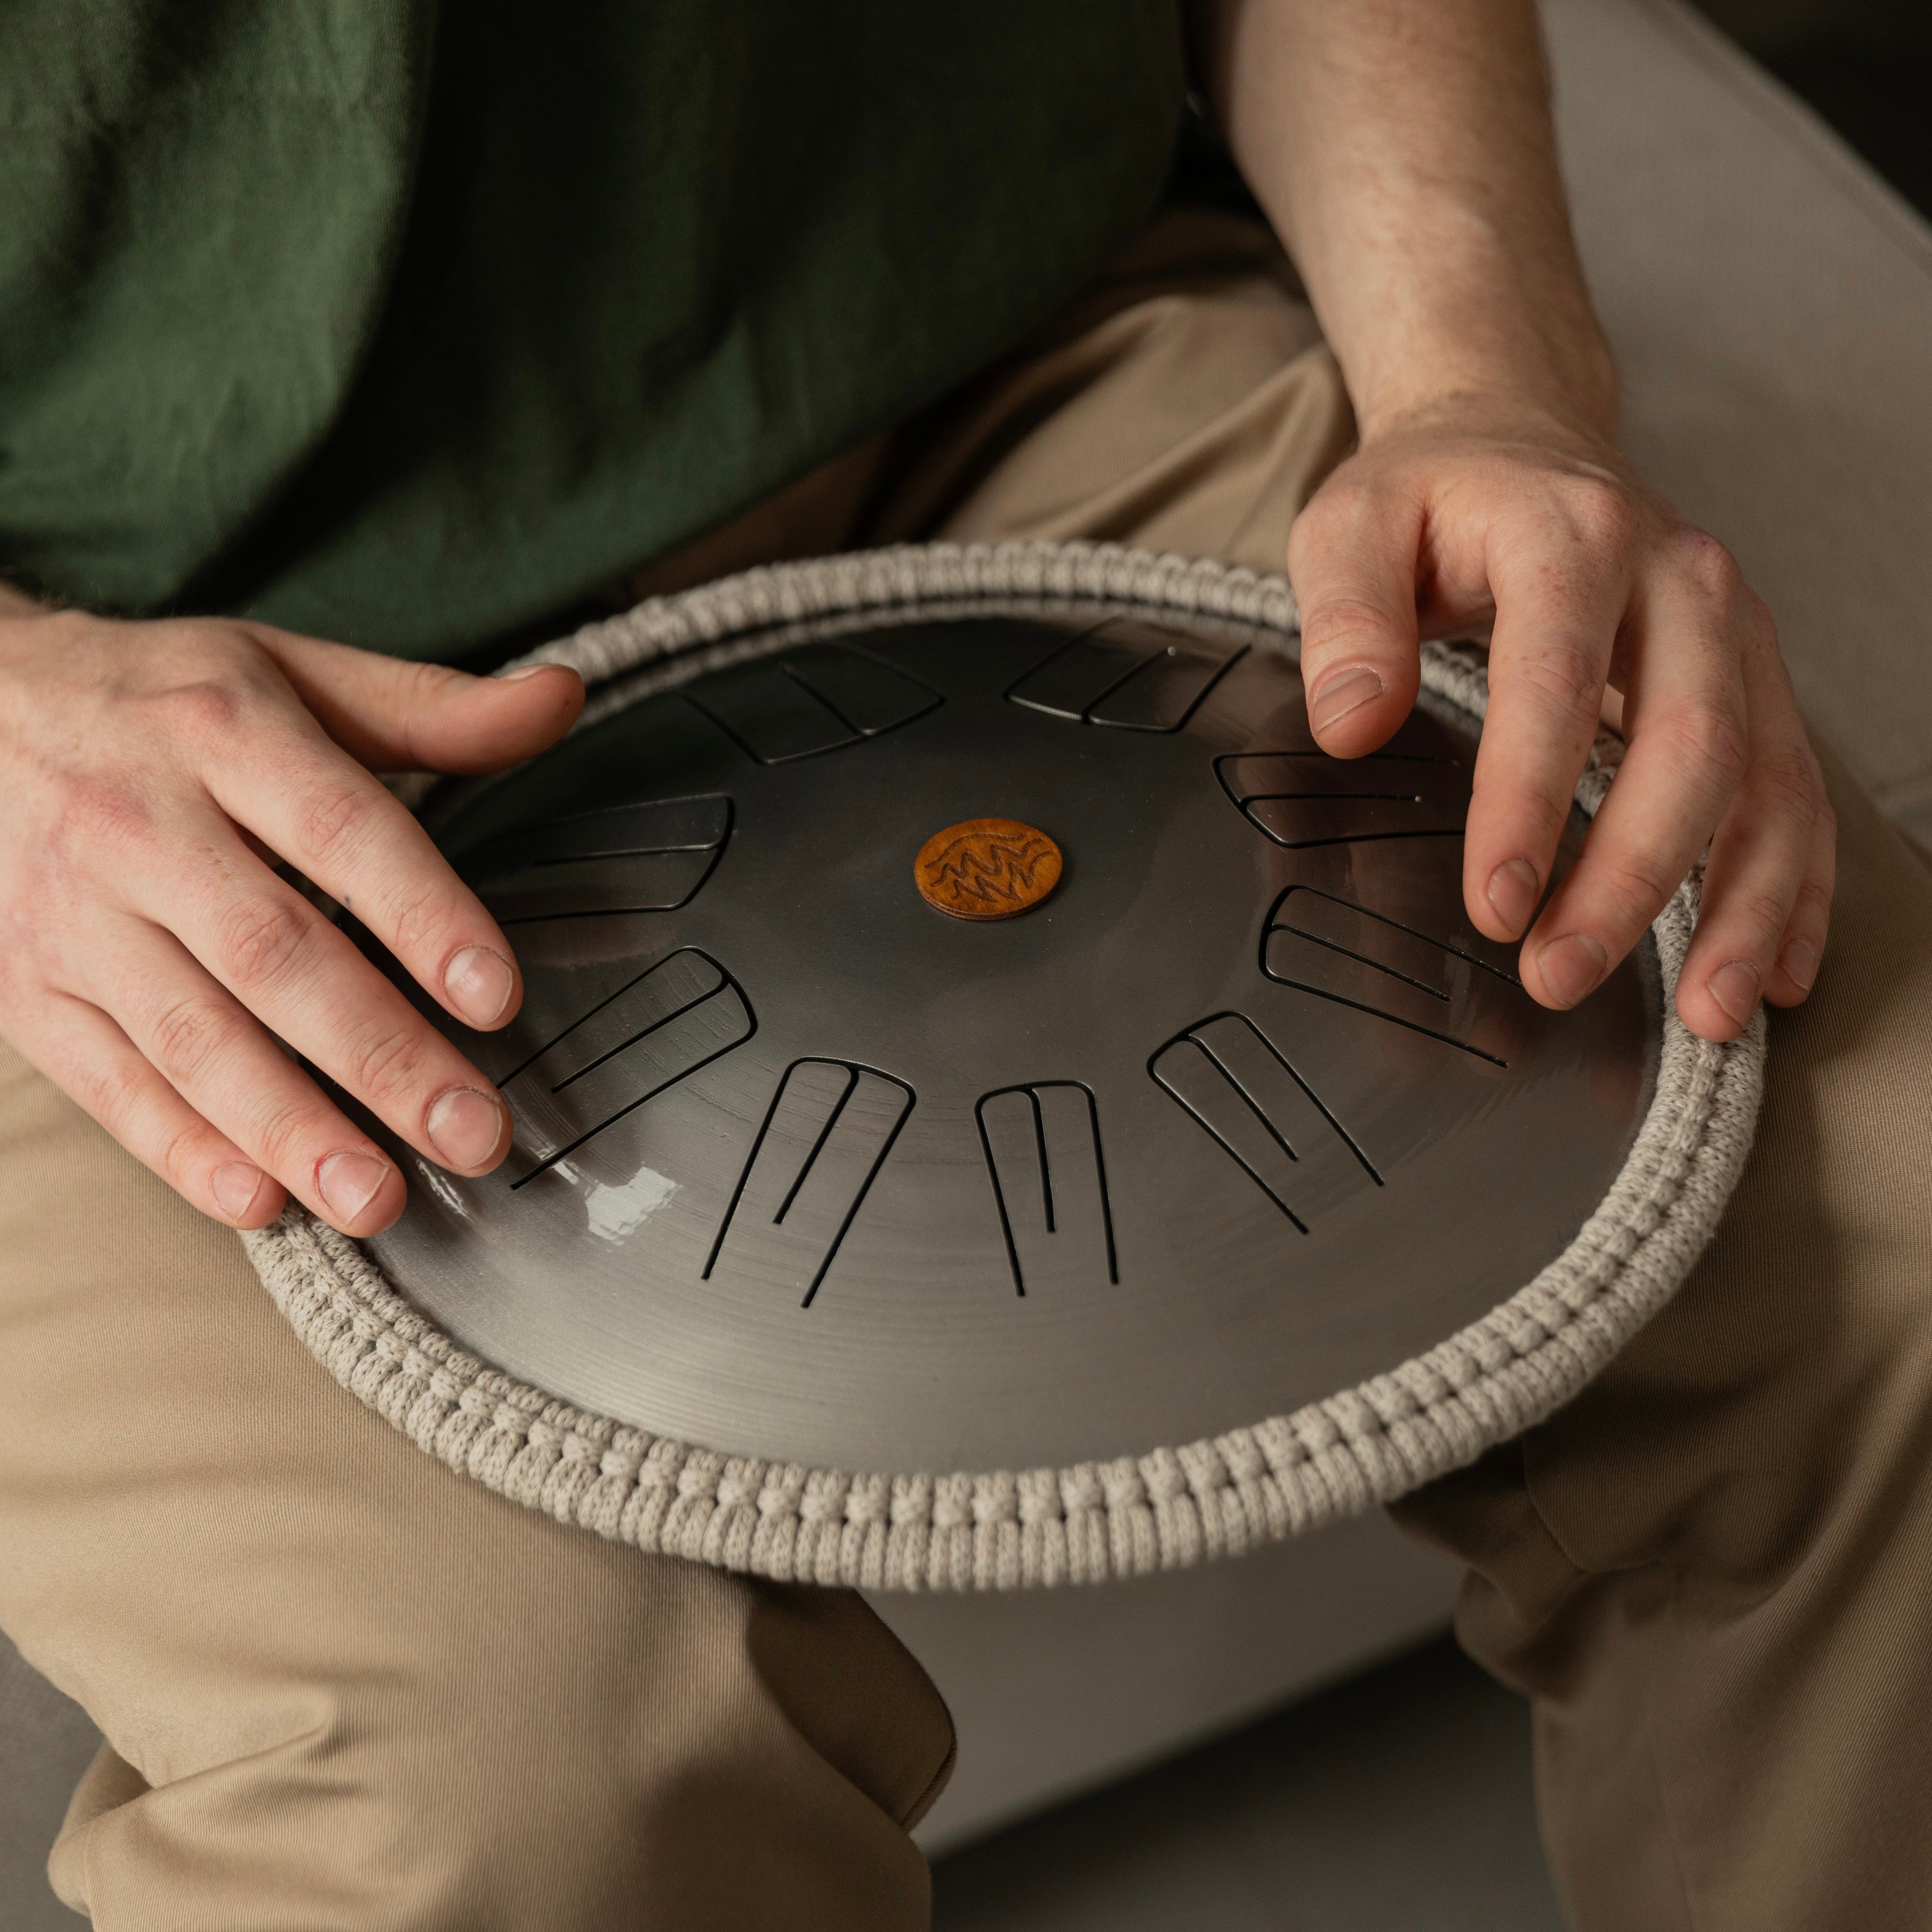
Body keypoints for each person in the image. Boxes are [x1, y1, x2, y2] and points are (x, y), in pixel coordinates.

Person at [0, 2, 1922, 1926]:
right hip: (122, 696)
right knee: (498, 1791)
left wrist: (1486, 390)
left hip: (993, 342)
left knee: (1889, 1245)